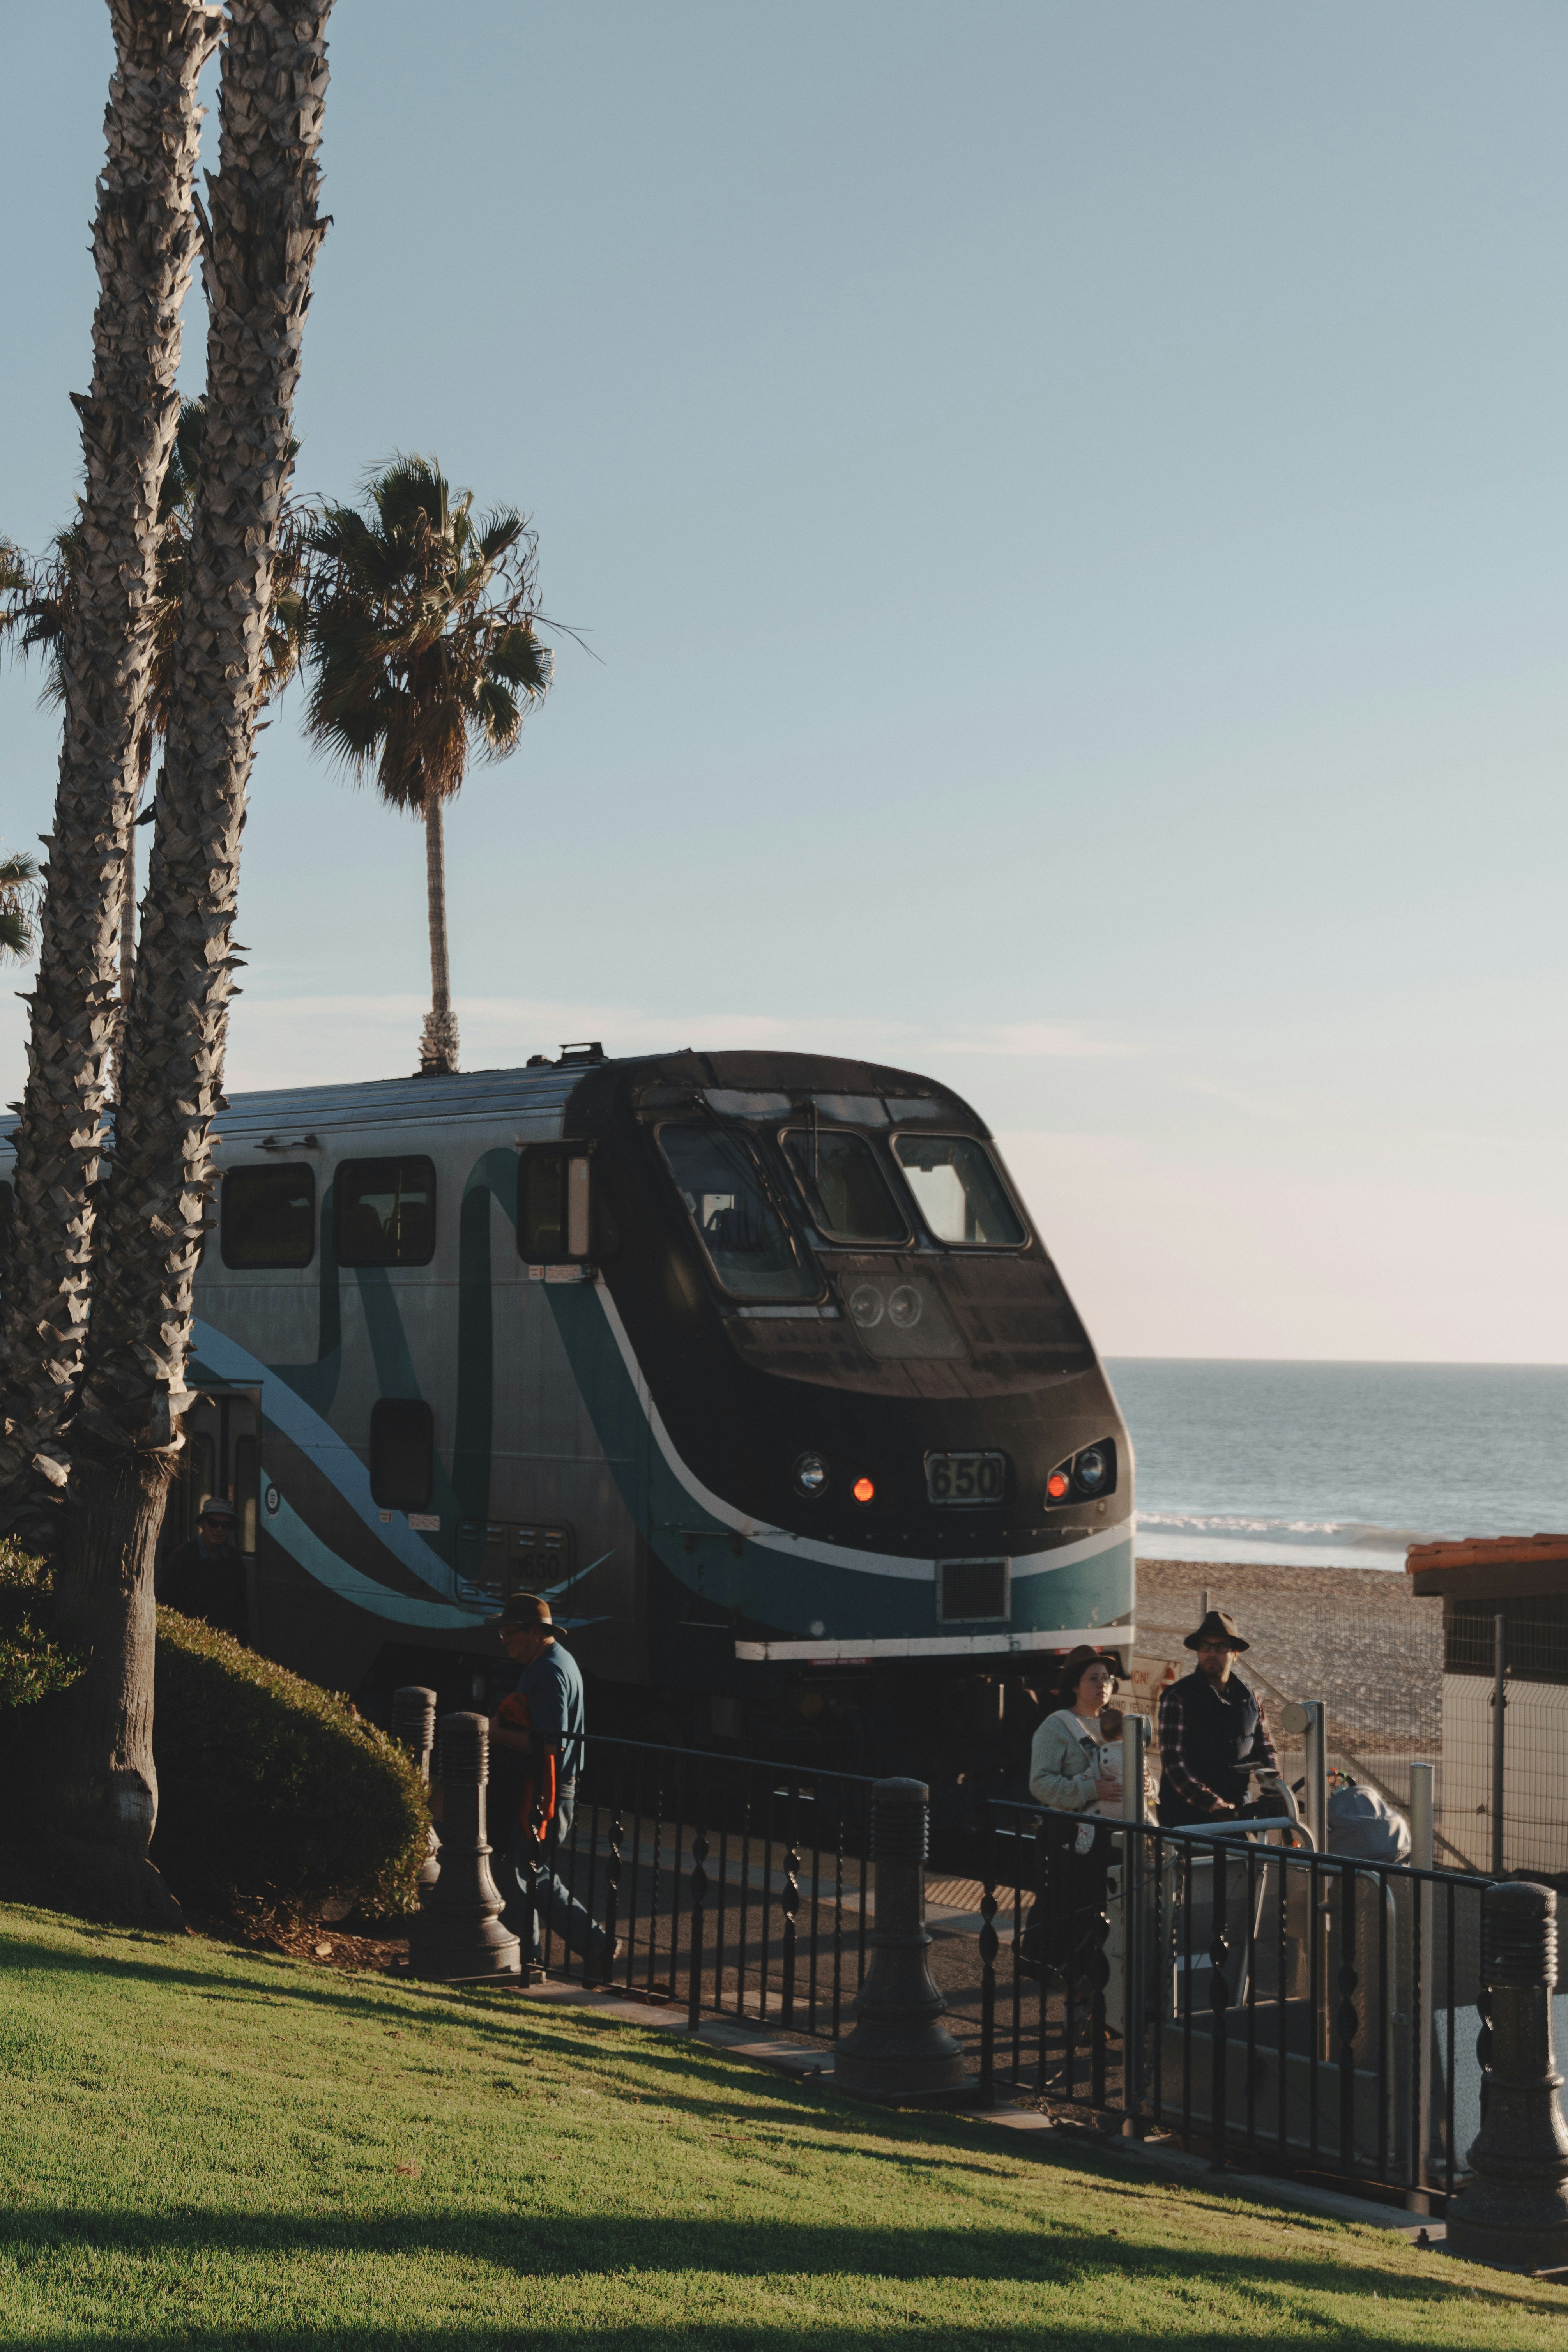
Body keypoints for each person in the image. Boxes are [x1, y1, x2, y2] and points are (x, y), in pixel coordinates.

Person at [487, 1592, 612, 1972]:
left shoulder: (549, 1672)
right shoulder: (555, 1663)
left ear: (535, 1632)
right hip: (550, 1789)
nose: (504, 1640)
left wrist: (494, 1732)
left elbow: (550, 1745)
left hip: (544, 1791)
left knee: (523, 1874)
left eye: (510, 1631)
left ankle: (542, 1958)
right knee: (527, 1872)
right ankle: (538, 1957)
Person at [1156, 1606, 1278, 1827]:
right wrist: (1211, 1802)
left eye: (1221, 1647)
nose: (1211, 1653)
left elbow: (1265, 1748)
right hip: (1187, 1820)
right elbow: (1173, 1763)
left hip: (1238, 1814)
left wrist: (1274, 1786)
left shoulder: (1250, 1700)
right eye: (1205, 1646)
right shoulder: (1178, 1697)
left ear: (1235, 1654)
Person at [158, 1495, 247, 1639]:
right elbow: (164, 1599)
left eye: (225, 1525)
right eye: (214, 1523)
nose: (219, 1529)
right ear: (202, 1525)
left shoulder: (234, 1559)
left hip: (224, 1639)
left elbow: (241, 1606)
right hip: (189, 1637)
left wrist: (243, 1639)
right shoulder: (182, 1556)